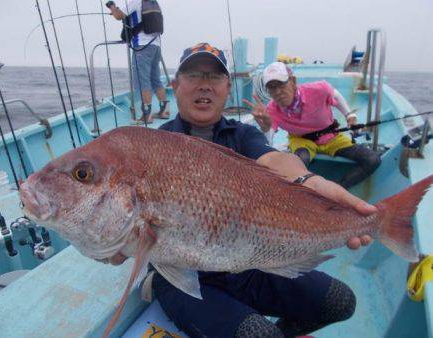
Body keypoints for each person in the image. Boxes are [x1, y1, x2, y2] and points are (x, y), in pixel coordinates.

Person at [109, 43, 375, 338]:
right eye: (194, 75)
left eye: (214, 77)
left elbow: (274, 160)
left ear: (228, 86)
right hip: (182, 275)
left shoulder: (243, 135)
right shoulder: (153, 145)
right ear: (175, 85)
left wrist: (307, 180)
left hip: (248, 261)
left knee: (339, 302)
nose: (204, 86)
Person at [245, 62, 381, 189]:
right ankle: (303, 193)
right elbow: (268, 142)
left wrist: (350, 116)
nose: (278, 92)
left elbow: (336, 95)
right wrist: (265, 127)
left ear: (293, 81)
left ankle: (338, 188)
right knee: (299, 161)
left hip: (331, 136)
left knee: (372, 159)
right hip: (300, 140)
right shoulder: (272, 110)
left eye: (281, 84)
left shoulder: (319, 89)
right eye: (272, 88)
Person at [108, 0, 170, 123]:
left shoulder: (135, 1)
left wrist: (112, 7)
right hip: (156, 46)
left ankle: (147, 116)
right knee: (155, 79)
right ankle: (165, 111)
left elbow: (119, 16)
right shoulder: (153, 3)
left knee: (143, 81)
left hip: (141, 47)